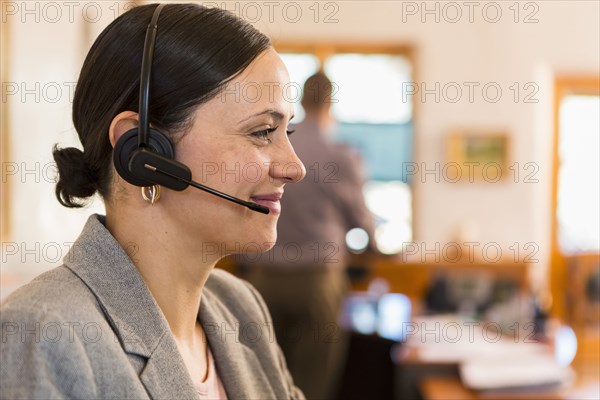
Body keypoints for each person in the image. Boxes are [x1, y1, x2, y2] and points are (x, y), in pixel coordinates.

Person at [0, 3, 306, 399]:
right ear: (143, 150)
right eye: (263, 131)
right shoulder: (42, 333)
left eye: (288, 133)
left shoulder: (240, 307)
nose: (294, 167)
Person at [241, 72, 376, 400]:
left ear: (301, 100)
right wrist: (375, 246)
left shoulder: (272, 145)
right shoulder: (338, 155)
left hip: (262, 279)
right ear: (330, 102)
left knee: (259, 382)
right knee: (311, 384)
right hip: (316, 281)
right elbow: (361, 222)